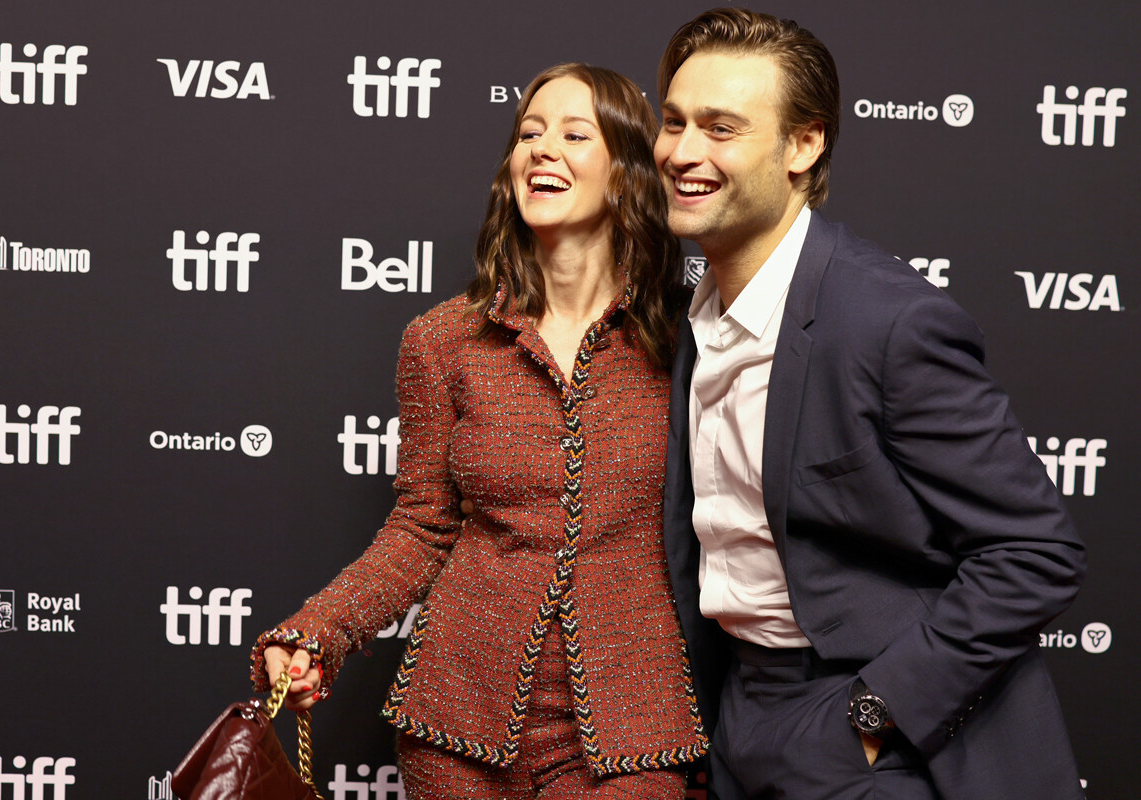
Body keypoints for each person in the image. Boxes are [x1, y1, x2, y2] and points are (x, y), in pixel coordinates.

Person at [655, 8, 1086, 800]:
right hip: (736, 714)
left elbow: (1035, 552)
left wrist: (871, 717)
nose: (682, 152)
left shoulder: (887, 321)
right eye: (674, 122)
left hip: (869, 726)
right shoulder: (699, 314)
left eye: (721, 128)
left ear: (803, 144)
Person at [250, 63, 709, 799]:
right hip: (458, 718)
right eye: (529, 133)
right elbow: (422, 525)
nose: (541, 150)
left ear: (626, 170)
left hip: (633, 724)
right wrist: (317, 632)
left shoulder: (687, 339)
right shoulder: (441, 342)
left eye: (572, 133)